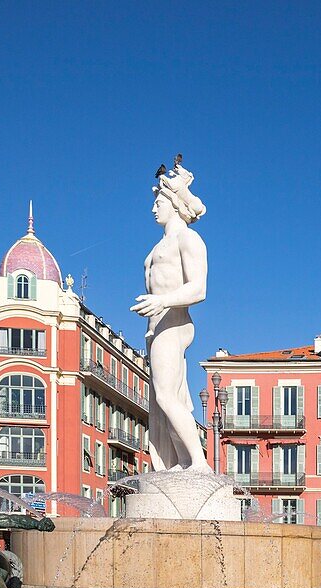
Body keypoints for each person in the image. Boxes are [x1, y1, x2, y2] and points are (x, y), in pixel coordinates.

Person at [131, 161, 210, 471]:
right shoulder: (155, 249)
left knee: (166, 396)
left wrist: (162, 300)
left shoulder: (187, 239)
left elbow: (199, 289)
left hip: (174, 324)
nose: (154, 208)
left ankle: (199, 464)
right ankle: (179, 463)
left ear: (175, 205)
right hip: (155, 329)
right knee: (164, 404)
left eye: (159, 202)